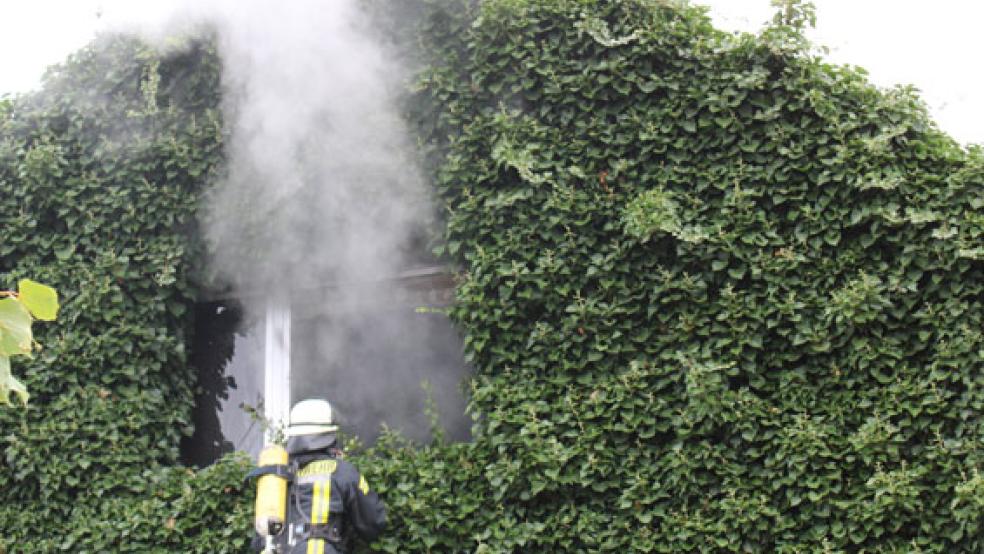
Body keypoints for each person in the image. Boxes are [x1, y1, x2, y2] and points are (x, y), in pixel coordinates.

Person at [255, 398, 386, 553]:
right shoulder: (342, 471)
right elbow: (373, 523)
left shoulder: (276, 475)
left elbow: (258, 540)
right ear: (329, 435)